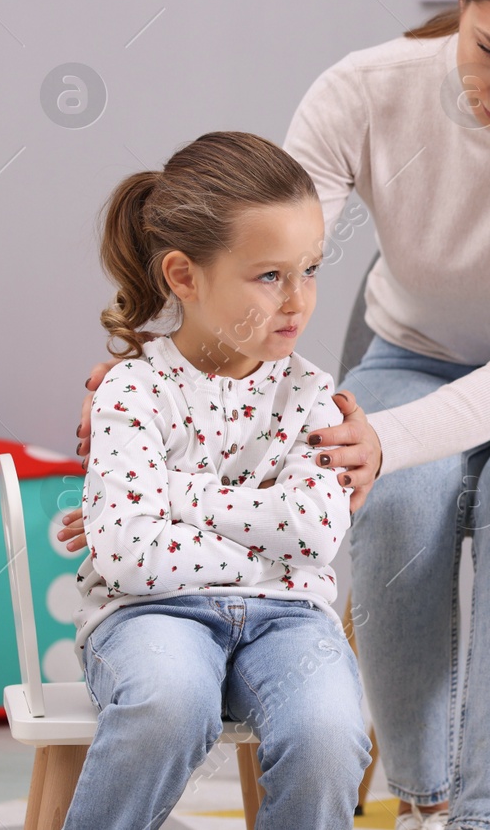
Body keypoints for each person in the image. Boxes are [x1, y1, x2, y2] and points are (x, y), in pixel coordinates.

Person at [65, 0, 490, 830]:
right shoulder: (365, 89)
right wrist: (149, 369)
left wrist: (378, 437)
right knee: (391, 493)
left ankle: (488, 820)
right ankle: (422, 799)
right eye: (489, 51)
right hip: (418, 353)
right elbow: (257, 264)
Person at [63, 131, 377, 830]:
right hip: (151, 615)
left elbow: (317, 532)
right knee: (168, 704)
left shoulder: (314, 398)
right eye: (270, 276)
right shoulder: (131, 393)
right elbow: (131, 557)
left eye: (311, 269)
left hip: (290, 619)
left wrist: (176, 497)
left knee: (329, 730)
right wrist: (269, 549)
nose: (298, 300)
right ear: (184, 276)